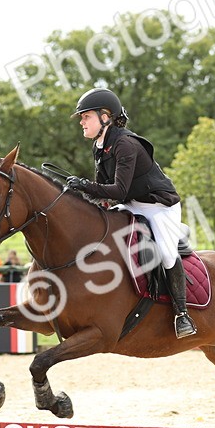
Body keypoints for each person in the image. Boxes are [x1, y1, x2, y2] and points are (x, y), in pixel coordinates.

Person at [65, 88, 196, 339]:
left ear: (106, 117)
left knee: (168, 255)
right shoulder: (100, 146)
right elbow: (103, 190)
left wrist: (83, 185)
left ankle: (182, 314)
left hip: (159, 206)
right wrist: (78, 195)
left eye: (86, 116)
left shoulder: (125, 144)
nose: (81, 122)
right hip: (131, 203)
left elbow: (118, 189)